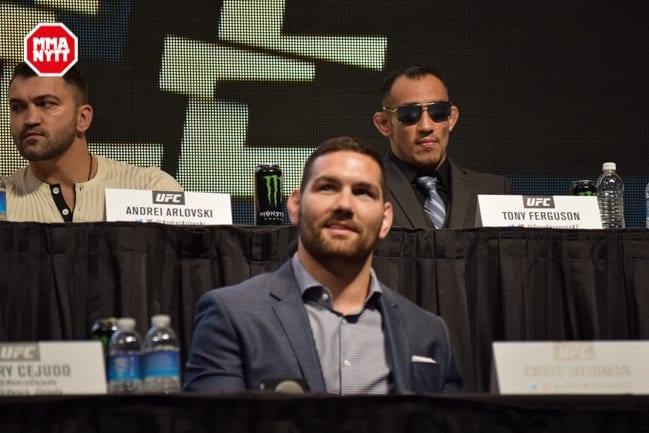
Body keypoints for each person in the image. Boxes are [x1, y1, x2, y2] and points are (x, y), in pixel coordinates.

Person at [184, 136, 463, 395]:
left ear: (385, 219)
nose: (344, 204)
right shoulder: (232, 316)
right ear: (295, 206)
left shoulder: (429, 333)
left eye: (363, 192)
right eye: (327, 187)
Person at [3, 62, 182, 222]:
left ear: (82, 118)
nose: (30, 119)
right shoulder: (3, 200)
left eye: (47, 104)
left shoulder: (149, 188)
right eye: (18, 107)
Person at [372, 65, 511, 229]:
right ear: (384, 123)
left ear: (451, 118)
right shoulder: (363, 189)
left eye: (438, 111)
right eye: (409, 114)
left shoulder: (493, 190)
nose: (426, 126)